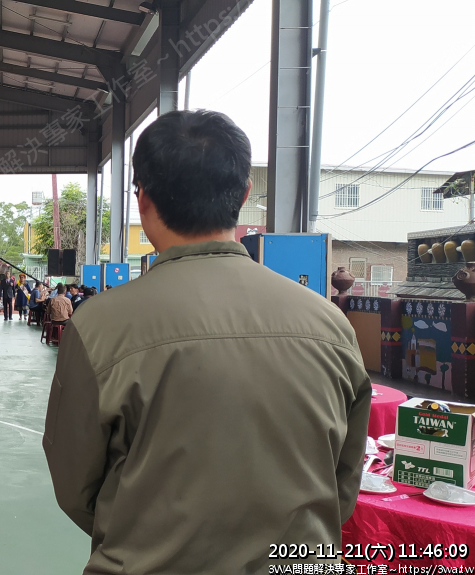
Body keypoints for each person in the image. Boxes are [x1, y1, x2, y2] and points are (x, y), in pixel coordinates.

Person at [43, 110, 371, 573]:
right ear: (243, 194)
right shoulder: (330, 325)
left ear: (143, 199)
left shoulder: (98, 326)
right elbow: (344, 482)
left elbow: (76, 486)